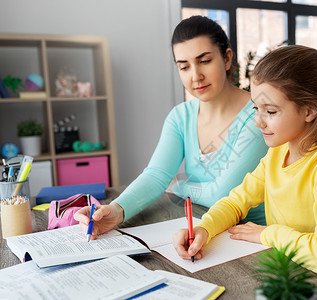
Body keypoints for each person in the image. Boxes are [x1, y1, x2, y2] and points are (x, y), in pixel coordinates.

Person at [172, 45, 317, 279]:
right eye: (256, 108)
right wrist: (204, 229)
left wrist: (267, 234)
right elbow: (236, 202)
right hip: (287, 270)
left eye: (270, 111)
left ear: (309, 111)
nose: (258, 121)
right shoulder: (276, 154)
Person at [74, 16, 268, 239]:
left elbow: (222, 195)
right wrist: (116, 211)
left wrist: (178, 186)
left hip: (253, 240)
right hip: (204, 229)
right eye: (184, 67)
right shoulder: (180, 117)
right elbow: (156, 176)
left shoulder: (258, 115)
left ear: (226, 58)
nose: (196, 76)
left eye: (204, 61)